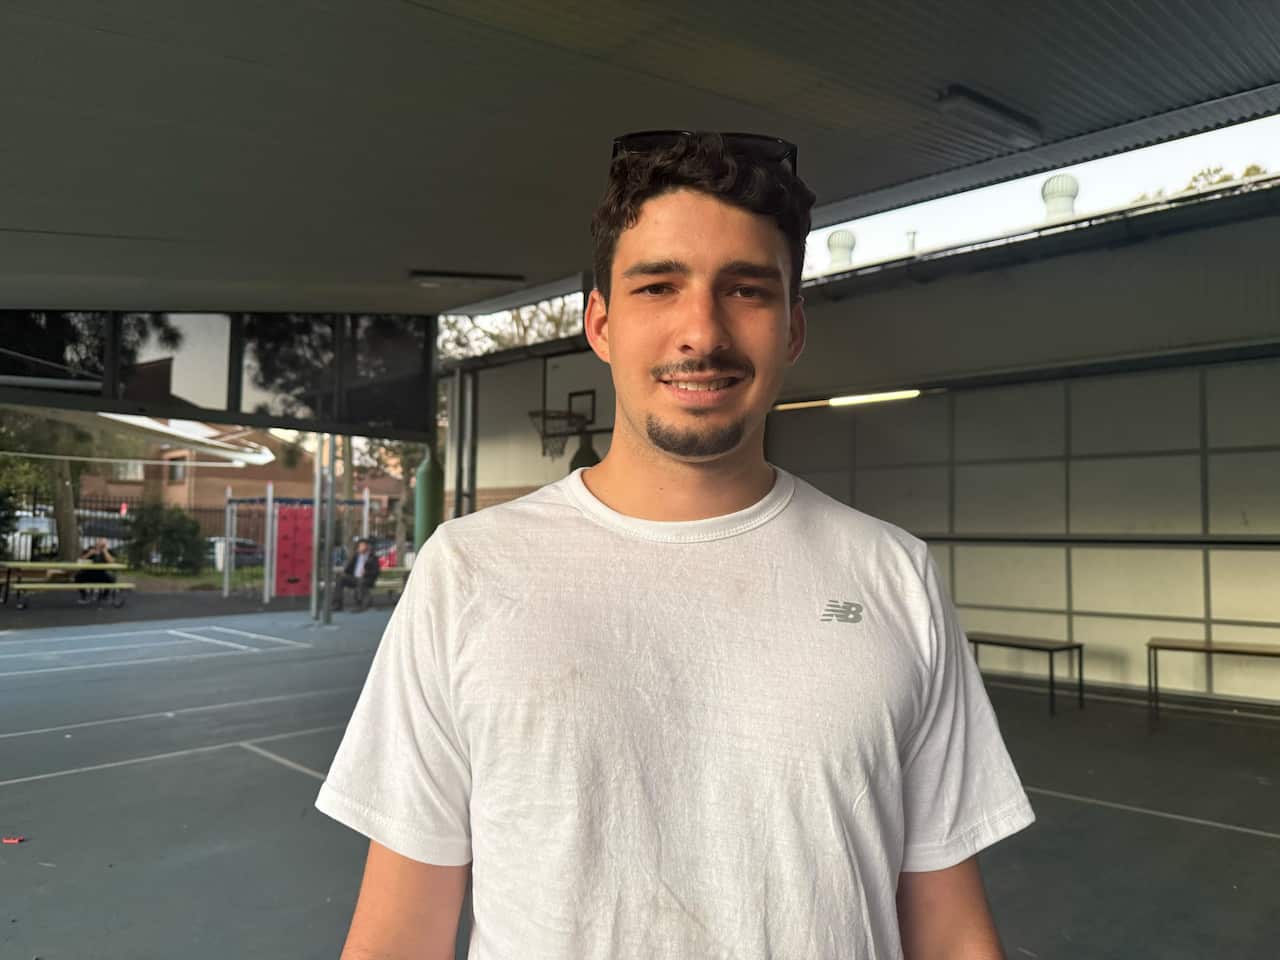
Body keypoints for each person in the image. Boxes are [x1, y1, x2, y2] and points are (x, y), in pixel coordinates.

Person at [316, 131, 1035, 959]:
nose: (702, 330)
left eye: (747, 290)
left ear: (793, 328)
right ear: (601, 324)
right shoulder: (470, 570)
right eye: (659, 286)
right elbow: (400, 931)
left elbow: (948, 928)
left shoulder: (893, 575)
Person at [332, 538, 380, 612]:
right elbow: (348, 569)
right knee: (340, 579)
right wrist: (343, 571)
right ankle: (337, 604)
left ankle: (360, 604)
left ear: (367, 547)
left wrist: (366, 572)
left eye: (362, 546)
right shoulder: (356, 556)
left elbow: (376, 572)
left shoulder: (373, 557)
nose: (360, 547)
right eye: (359, 546)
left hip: (367, 579)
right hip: (354, 578)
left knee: (360, 581)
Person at [75, 537, 117, 604]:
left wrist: (105, 551)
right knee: (78, 577)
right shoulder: (90, 549)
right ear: (96, 543)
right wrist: (89, 554)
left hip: (101, 574)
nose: (101, 545)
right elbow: (80, 560)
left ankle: (104, 596)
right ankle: (84, 596)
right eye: (100, 542)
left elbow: (112, 562)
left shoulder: (108, 551)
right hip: (89, 573)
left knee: (112, 578)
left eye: (104, 544)